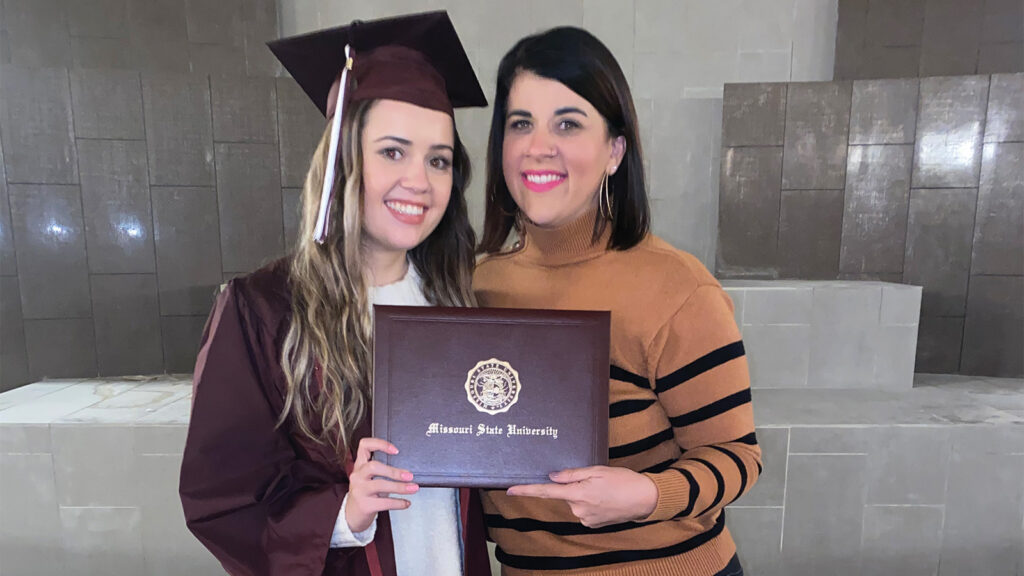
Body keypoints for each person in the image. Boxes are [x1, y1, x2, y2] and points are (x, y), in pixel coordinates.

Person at [179, 11, 492, 576]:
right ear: (344, 159)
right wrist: (344, 513)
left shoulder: (461, 305)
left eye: (438, 160)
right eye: (393, 151)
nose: (419, 181)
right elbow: (220, 498)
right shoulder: (263, 309)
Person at [474, 26, 761, 576]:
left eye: (568, 123)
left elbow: (738, 456)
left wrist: (648, 495)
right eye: (520, 124)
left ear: (614, 151)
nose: (539, 146)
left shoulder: (676, 290)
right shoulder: (477, 289)